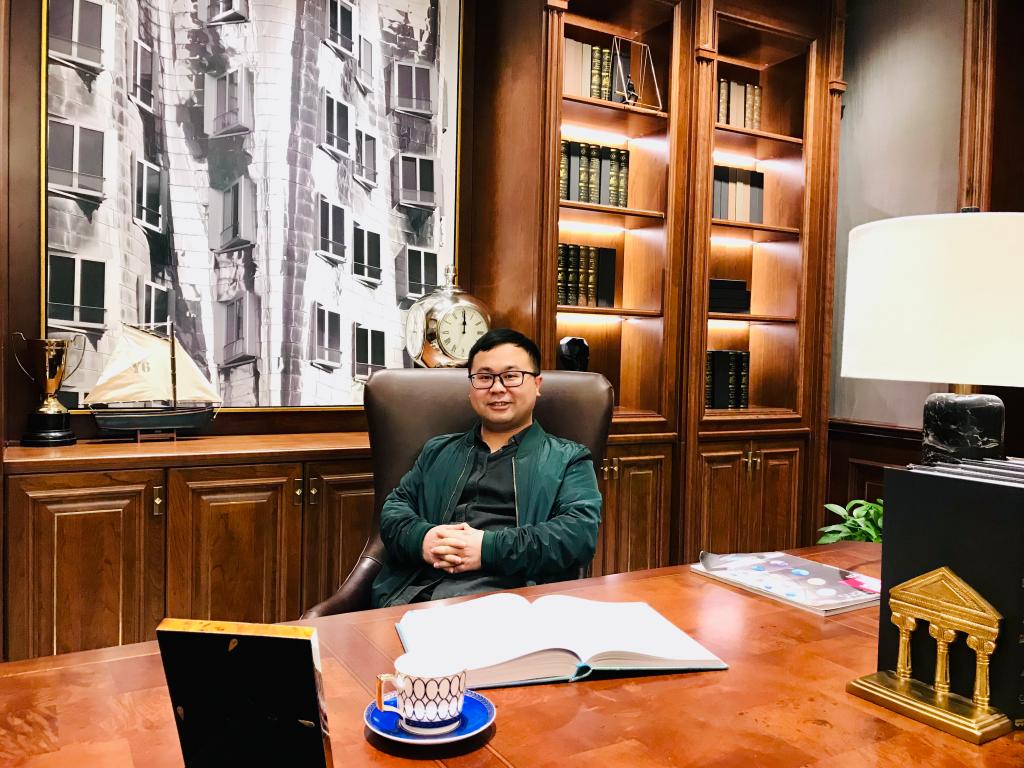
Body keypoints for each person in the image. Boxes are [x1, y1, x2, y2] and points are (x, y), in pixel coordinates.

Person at [370, 328, 602, 608]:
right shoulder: (437, 451)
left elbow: (577, 535)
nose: (497, 388)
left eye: (511, 376)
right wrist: (424, 539)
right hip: (412, 594)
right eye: (484, 377)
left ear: (537, 384)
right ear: (471, 388)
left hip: (505, 602)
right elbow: (394, 510)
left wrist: (486, 548)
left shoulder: (568, 459)